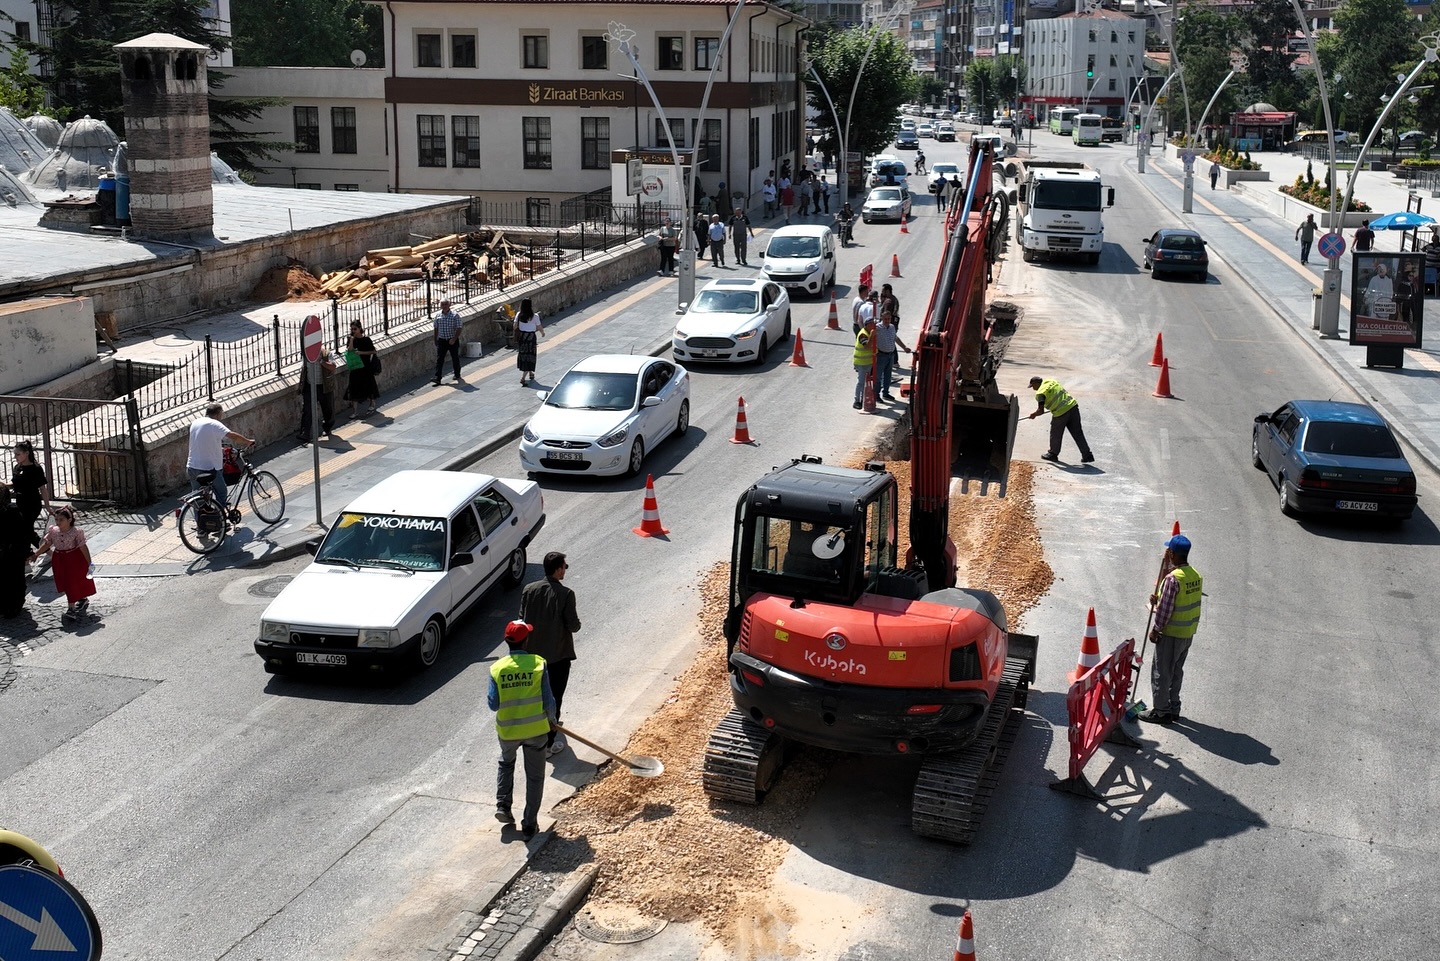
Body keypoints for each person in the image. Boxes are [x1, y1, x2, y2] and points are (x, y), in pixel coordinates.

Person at [488, 619, 557, 840]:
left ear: (507, 642)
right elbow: (548, 701)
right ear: (526, 641)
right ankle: (529, 824)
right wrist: (552, 721)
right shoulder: (538, 664)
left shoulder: (497, 668)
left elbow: (493, 704)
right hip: (536, 731)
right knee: (535, 777)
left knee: (506, 764)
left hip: (508, 732)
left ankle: (503, 806)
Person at [519, 551, 582, 758]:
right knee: (555, 698)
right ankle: (548, 744)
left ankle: (539, 731)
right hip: (557, 657)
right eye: (565, 566)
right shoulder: (566, 594)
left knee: (538, 697)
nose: (565, 570)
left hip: (532, 658)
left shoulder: (529, 590)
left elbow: (521, 620)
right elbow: (573, 626)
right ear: (558, 569)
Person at [1139, 534, 1203, 725]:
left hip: (1171, 634)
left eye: (1169, 551)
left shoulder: (1173, 579)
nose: (1167, 554)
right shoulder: (1195, 576)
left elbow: (1166, 610)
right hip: (1187, 634)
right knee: (1176, 671)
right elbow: (1182, 601)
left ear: (1173, 554)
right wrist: (1157, 599)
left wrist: (1156, 629)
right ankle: (1174, 708)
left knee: (1161, 672)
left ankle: (1160, 712)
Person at [30, 506, 94, 624]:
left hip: (74, 559)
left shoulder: (76, 532)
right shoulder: (54, 531)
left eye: (61, 520)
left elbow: (83, 547)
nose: (58, 522)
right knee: (65, 582)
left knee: (71, 582)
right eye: (57, 519)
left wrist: (89, 562)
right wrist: (36, 554)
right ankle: (81, 599)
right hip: (59, 559)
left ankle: (71, 609)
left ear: (69, 520)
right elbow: (47, 544)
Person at [187, 403, 255, 511]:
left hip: (192, 467)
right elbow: (232, 435)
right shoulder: (214, 424)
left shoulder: (196, 422)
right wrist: (247, 442)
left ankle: (201, 524)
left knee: (198, 498)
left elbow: (203, 442)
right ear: (218, 414)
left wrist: (220, 450)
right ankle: (221, 520)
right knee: (221, 492)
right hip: (209, 469)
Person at [1027, 375, 1094, 464]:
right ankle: (1087, 455)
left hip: (1061, 413)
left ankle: (1053, 454)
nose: (1033, 389)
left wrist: (1034, 415)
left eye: (1032, 386)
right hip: (1072, 407)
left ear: (1036, 384)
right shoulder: (1051, 381)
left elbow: (1041, 411)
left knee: (1056, 433)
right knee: (1078, 433)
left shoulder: (1040, 393)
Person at [0, 487, 40, 618]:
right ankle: (13, 607)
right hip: (13, 552)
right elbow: (24, 532)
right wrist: (30, 550)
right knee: (15, 579)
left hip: (5, 551)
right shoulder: (13, 511)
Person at [298, 345, 338, 442]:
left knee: (328, 409)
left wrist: (321, 362)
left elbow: (333, 367)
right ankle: (305, 432)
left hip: (324, 386)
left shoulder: (326, 354)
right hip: (310, 385)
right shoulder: (306, 354)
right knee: (308, 410)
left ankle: (327, 428)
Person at [9, 440, 50, 532]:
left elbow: (42, 488)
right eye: (15, 454)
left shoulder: (36, 469)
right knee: (25, 529)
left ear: (26, 453)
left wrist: (47, 506)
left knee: (26, 528)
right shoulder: (17, 467)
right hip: (20, 501)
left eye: (18, 454)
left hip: (32, 502)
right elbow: (15, 484)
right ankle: (31, 546)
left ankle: (44, 546)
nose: (15, 457)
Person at [874, 304, 911, 403]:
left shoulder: (891, 327)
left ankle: (885, 393)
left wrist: (904, 347)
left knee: (888, 375)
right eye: (885, 319)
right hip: (881, 355)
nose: (887, 321)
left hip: (890, 355)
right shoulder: (877, 328)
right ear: (882, 318)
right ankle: (876, 395)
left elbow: (896, 339)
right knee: (878, 377)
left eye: (889, 319)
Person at [344, 322, 380, 417]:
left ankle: (372, 403)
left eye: (355, 329)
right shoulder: (351, 340)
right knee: (354, 388)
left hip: (365, 367)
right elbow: (349, 350)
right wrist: (351, 340)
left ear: (360, 329)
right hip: (355, 367)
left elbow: (373, 351)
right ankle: (355, 411)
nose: (353, 331)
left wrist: (361, 353)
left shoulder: (366, 340)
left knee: (369, 386)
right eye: (351, 329)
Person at [432, 299, 463, 386]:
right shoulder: (438, 315)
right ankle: (438, 378)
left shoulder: (454, 315)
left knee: (455, 357)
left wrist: (454, 338)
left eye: (446, 304)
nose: (444, 306)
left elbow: (459, 327)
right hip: (442, 340)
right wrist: (435, 339)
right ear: (440, 305)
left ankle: (457, 374)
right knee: (440, 359)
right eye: (442, 304)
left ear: (449, 305)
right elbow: (436, 328)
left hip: (452, 340)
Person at [514, 298, 544, 385]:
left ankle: (530, 373)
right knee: (530, 356)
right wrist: (542, 332)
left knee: (524, 355)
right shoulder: (535, 316)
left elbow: (515, 325)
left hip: (522, 338)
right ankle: (523, 378)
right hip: (531, 338)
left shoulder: (519, 314)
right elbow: (539, 326)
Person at [853, 314, 877, 410]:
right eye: (872, 324)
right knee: (861, 382)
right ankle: (857, 401)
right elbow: (866, 346)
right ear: (867, 325)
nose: (874, 326)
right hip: (862, 362)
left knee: (868, 382)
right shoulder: (863, 334)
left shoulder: (869, 332)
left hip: (869, 362)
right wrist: (872, 335)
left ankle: (865, 399)